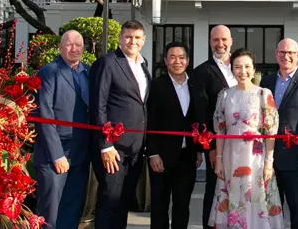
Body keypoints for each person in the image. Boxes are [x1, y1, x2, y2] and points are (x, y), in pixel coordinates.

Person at [209, 48, 284, 229]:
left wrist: (269, 162)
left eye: (247, 67)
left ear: (253, 68)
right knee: (234, 196)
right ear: (232, 69)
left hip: (256, 157)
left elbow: (271, 131)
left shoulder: (263, 94)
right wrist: (218, 160)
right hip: (229, 156)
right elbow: (220, 130)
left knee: (255, 196)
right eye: (238, 67)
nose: (243, 71)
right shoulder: (225, 95)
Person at [89, 20, 152, 229]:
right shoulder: (108, 63)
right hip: (113, 149)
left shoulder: (144, 66)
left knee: (123, 202)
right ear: (120, 38)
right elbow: (99, 106)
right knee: (110, 200)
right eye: (128, 37)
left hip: (135, 149)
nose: (132, 41)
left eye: (137, 38)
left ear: (143, 41)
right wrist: (105, 145)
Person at [259, 39, 298, 229]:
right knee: (268, 211)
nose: (286, 56)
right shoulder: (266, 81)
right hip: (268, 160)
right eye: (282, 52)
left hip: (296, 161)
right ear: (276, 54)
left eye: (291, 53)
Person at [146, 42, 208, 229]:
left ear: (188, 61)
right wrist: (153, 153)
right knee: (159, 205)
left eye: (181, 57)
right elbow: (149, 121)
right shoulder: (156, 86)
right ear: (165, 61)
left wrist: (198, 150)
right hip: (161, 157)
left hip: (187, 156)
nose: (177, 61)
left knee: (182, 205)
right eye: (172, 57)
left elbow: (197, 119)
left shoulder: (196, 86)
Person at [34, 30, 91, 229]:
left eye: (78, 44)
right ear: (60, 47)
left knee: (73, 209)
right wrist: (57, 155)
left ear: (84, 48)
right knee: (51, 213)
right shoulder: (49, 72)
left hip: (81, 154)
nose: (74, 48)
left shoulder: (89, 72)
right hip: (54, 155)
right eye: (69, 44)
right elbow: (44, 115)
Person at [193, 25, 237, 229]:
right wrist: (209, 148)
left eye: (224, 40)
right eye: (215, 40)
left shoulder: (241, 67)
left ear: (231, 41)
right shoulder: (202, 71)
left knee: (238, 189)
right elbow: (202, 113)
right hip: (217, 145)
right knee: (214, 190)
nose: (220, 44)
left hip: (241, 143)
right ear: (210, 42)